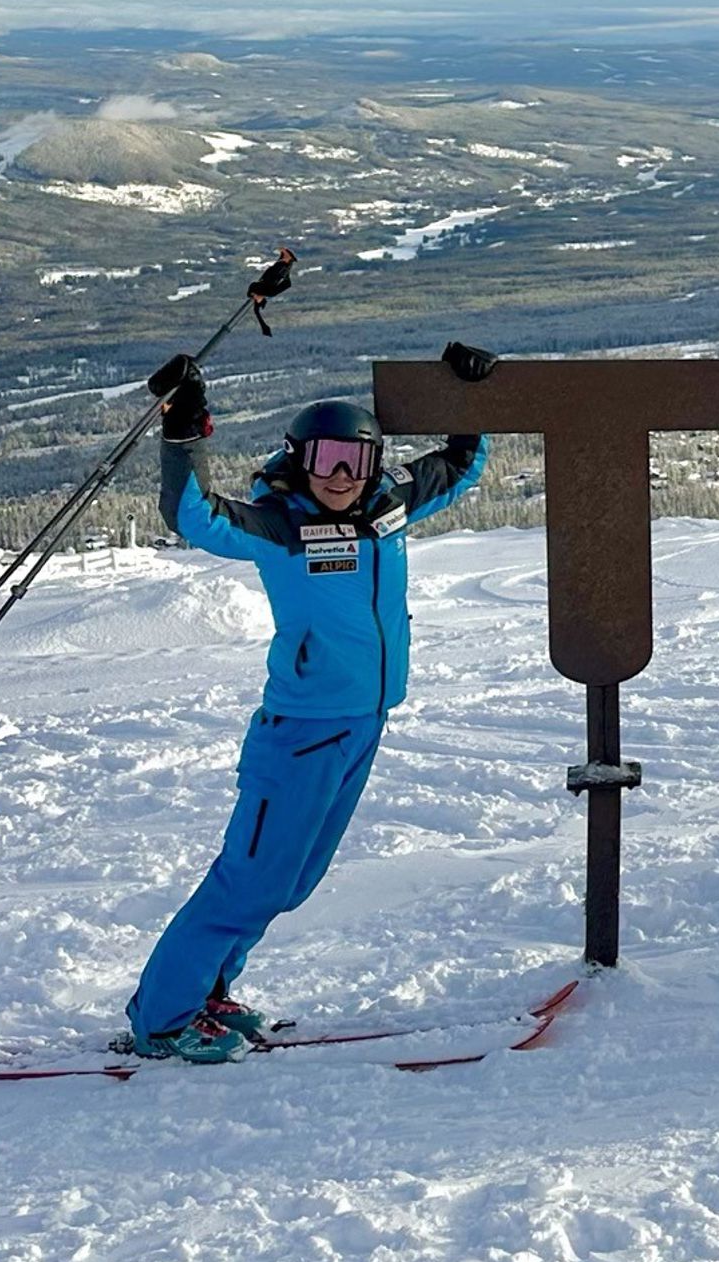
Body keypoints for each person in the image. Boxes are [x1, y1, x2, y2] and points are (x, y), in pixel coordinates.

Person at [125, 353, 494, 1062]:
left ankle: (208, 992)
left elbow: (461, 465)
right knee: (248, 879)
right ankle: (163, 1020)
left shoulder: (390, 506)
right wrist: (183, 431)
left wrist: (464, 394)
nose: (341, 475)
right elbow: (192, 516)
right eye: (326, 460)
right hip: (299, 733)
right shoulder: (280, 524)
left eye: (355, 460)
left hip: (365, 722)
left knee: (289, 882)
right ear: (301, 460)